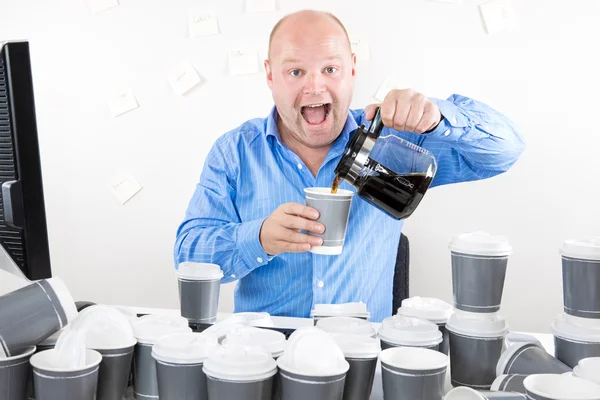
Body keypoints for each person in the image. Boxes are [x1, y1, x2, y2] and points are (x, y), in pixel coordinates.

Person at [174, 10, 525, 322]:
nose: (315, 85)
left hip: (362, 356)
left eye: (330, 69)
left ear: (352, 69)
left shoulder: (395, 142)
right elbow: (188, 255)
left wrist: (437, 116)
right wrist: (259, 238)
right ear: (270, 75)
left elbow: (505, 150)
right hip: (265, 357)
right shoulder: (235, 152)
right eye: (296, 71)